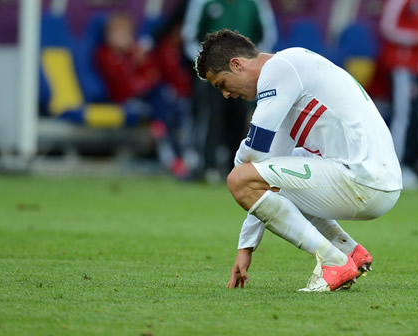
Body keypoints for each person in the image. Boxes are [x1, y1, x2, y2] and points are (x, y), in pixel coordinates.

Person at [195, 29, 402, 291]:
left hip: (364, 178)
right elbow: (263, 172)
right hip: (377, 179)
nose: (225, 94)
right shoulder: (289, 77)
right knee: (257, 176)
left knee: (240, 178)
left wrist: (240, 171)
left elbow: (253, 154)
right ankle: (347, 252)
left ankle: (332, 261)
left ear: (237, 64)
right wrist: (246, 246)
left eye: (222, 84)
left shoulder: (279, 69)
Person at [181, 0, 277, 182]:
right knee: (210, 118)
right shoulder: (202, 2)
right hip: (212, 76)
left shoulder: (255, 3)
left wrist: (251, 66)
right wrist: (208, 67)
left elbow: (268, 35)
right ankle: (206, 166)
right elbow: (190, 36)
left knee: (241, 119)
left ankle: (236, 168)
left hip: (244, 75)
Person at [95, 13, 190, 178]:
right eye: (116, 33)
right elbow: (123, 84)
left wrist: (135, 63)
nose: (120, 37)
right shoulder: (104, 54)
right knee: (163, 99)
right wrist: (137, 74)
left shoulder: (135, 52)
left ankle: (178, 151)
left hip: (148, 99)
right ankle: (173, 158)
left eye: (124, 33)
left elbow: (153, 73)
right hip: (125, 101)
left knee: (168, 101)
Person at [379, 0, 418, 189]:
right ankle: (395, 167)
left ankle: (412, 163)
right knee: (403, 116)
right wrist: (416, 37)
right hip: (402, 67)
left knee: (417, 117)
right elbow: (387, 27)